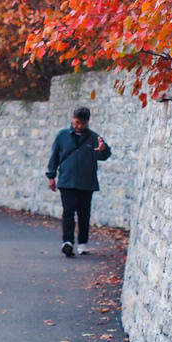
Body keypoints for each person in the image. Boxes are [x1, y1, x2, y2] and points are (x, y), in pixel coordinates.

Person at [46, 106, 111, 258]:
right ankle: (67, 242)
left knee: (84, 214)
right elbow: (54, 156)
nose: (79, 126)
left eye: (82, 123)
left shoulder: (94, 137)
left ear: (87, 122)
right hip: (67, 181)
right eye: (77, 122)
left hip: (86, 182)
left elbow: (105, 155)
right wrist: (51, 176)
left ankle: (82, 243)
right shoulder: (62, 136)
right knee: (68, 212)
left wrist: (103, 149)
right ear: (72, 118)